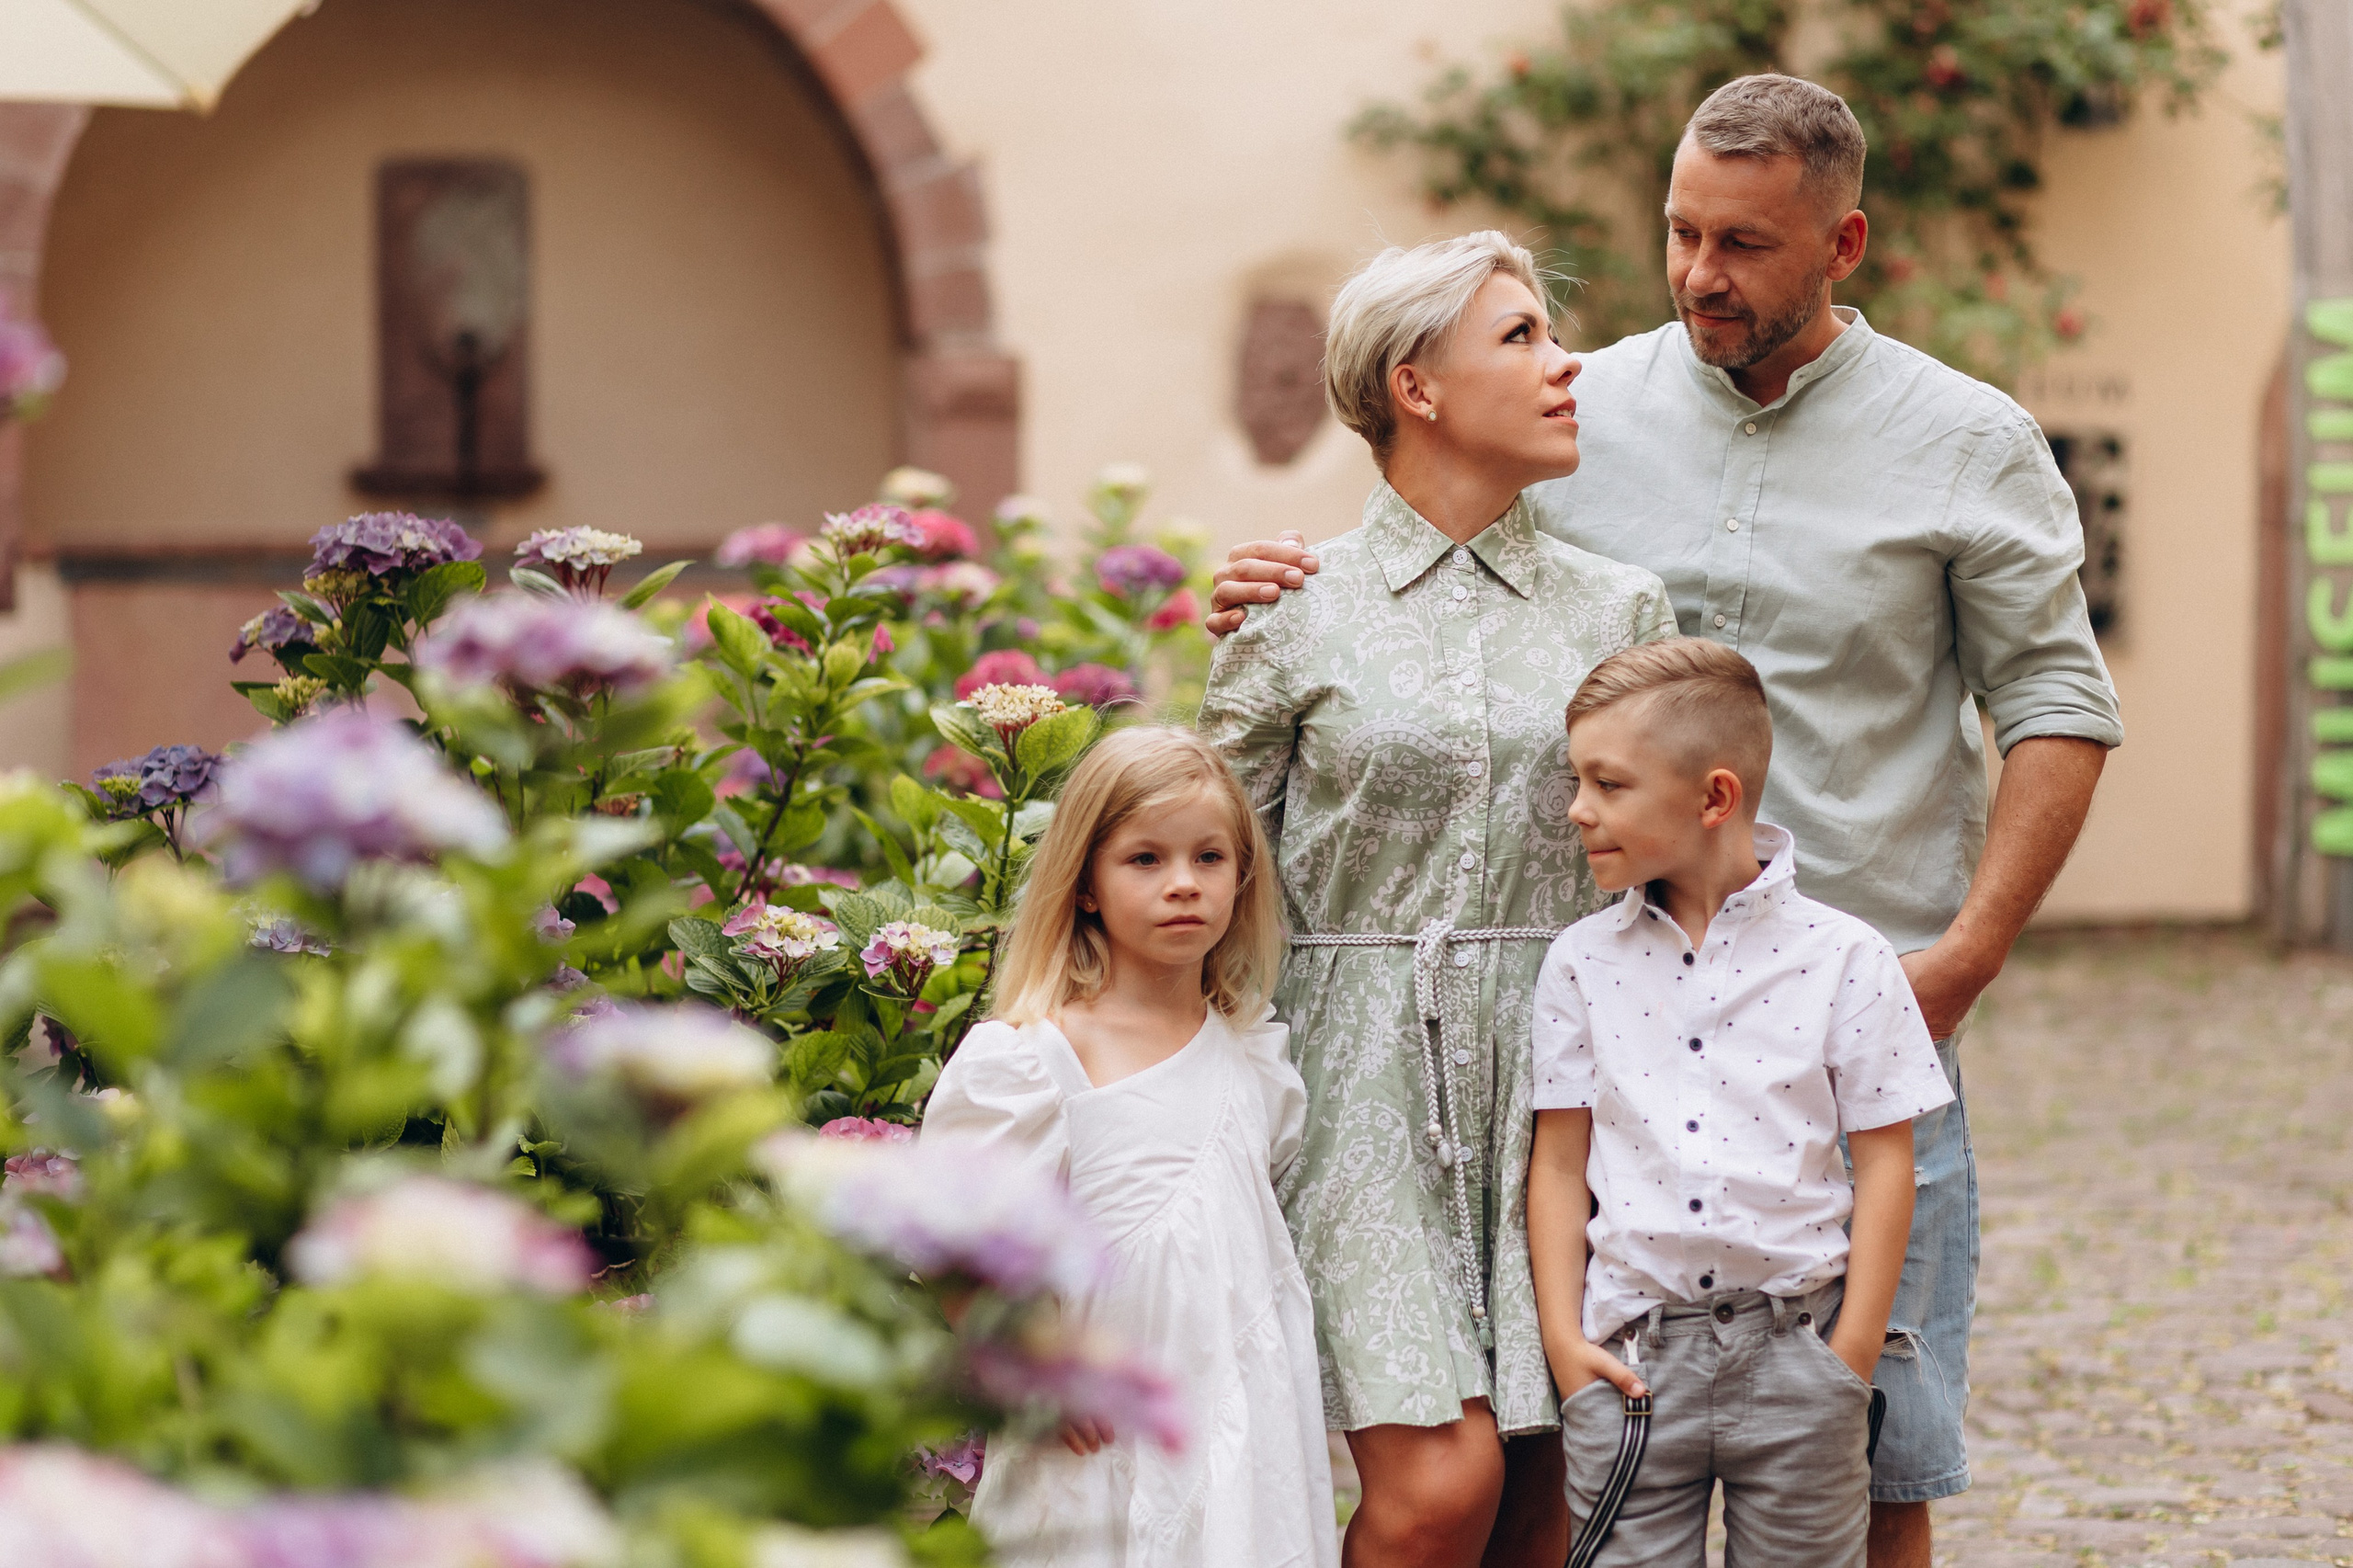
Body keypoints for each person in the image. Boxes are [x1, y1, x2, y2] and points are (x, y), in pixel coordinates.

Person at [1207, 73, 2122, 1567]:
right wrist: (1277, 588)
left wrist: (1960, 961)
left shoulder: (1971, 440)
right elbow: (1426, 545)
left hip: (1855, 1017)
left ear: (1846, 242)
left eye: (1748, 244)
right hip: (1609, 1029)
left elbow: (2058, 708)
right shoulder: (1588, 406)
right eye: (1683, 233)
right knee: (1585, 1473)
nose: (1702, 274)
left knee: (1875, 1462)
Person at [1196, 230, 1676, 1568]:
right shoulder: (1293, 607)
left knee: (1553, 1500)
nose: (1564, 361)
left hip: (1571, 1079)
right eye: (1520, 336)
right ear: (1416, 385)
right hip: (1353, 1078)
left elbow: (1671, 866)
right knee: (1435, 1492)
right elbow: (1203, 855)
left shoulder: (1621, 609)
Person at [1527, 639, 1953, 1565]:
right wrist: (1566, 1344)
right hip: (1630, 1362)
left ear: (1713, 796)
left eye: (1607, 783)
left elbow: (1887, 1163)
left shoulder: (1846, 956)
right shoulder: (1578, 963)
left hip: (1798, 1355)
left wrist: (1847, 1360)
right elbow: (1559, 1161)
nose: (1577, 808)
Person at [920, 726, 1338, 1568]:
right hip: (1095, 1427)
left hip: (1235, 1408)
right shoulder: (1033, 1061)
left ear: (1241, 877)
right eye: (1145, 860)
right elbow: (956, 1247)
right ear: (1084, 886)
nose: (1183, 884)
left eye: (1209, 858)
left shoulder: (1252, 1053)